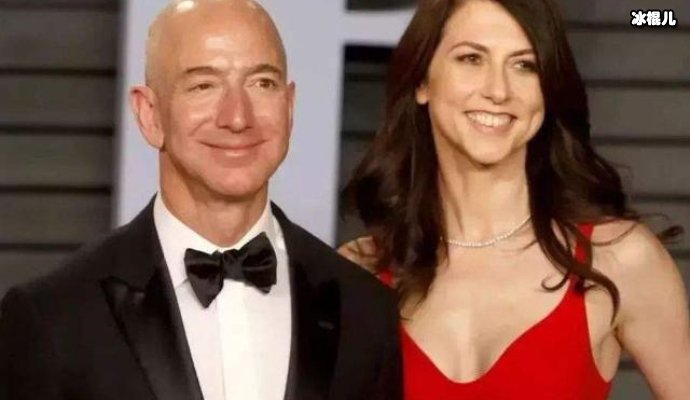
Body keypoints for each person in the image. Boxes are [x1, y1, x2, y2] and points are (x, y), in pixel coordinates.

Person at [0, 1, 401, 399]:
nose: (237, 117)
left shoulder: (365, 311)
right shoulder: (54, 317)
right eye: (203, 86)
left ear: (289, 106)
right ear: (150, 115)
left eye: (262, 83)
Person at [339, 0, 690, 398]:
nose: (498, 91)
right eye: (471, 59)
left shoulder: (618, 260)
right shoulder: (360, 274)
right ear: (422, 82)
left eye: (525, 65)